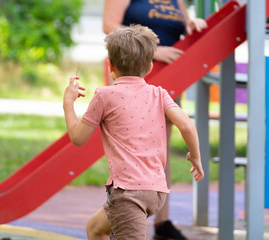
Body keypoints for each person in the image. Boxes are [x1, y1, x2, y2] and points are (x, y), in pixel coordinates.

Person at [63, 25, 204, 240]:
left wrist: (68, 104)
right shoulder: (160, 94)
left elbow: (78, 138)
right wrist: (195, 156)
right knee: (95, 228)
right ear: (148, 67)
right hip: (156, 192)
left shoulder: (104, 95)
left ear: (110, 66)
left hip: (129, 195)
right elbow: (187, 125)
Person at [103, 1, 207, 239]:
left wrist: (192, 24)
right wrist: (152, 51)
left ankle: (163, 223)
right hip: (132, 77)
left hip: (169, 77)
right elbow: (109, 25)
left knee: (161, 149)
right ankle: (120, 215)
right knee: (129, 148)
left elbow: (184, 26)